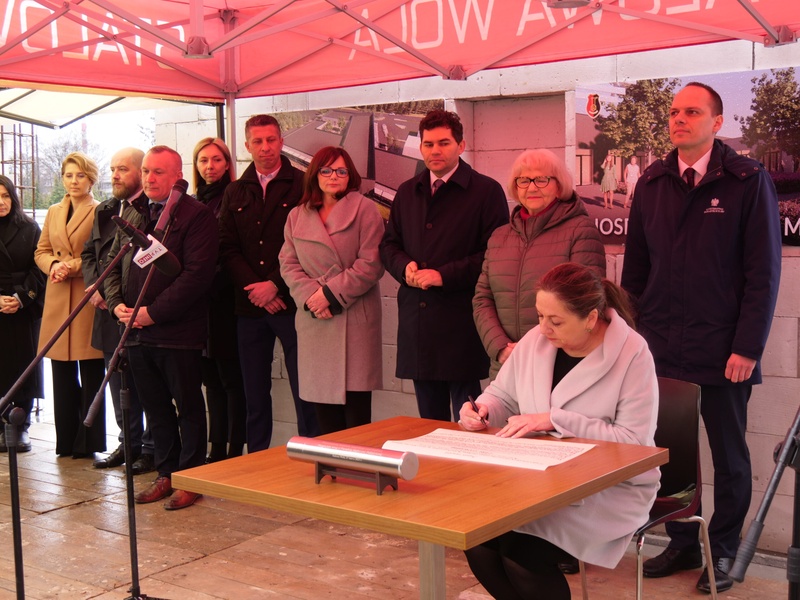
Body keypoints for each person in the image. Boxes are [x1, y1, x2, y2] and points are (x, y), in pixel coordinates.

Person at [621, 82, 781, 594]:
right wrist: (632, 342)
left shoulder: (746, 180)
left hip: (724, 351)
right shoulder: (652, 182)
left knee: (730, 459)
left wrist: (748, 346)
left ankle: (725, 551)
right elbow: (635, 272)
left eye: (692, 112)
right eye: (674, 112)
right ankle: (683, 542)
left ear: (716, 122)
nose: (679, 119)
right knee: (672, 457)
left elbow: (763, 273)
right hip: (661, 350)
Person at [461, 262, 659, 600]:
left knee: (522, 555)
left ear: (591, 318)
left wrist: (556, 420)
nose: (544, 328)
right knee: (479, 543)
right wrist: (482, 409)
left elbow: (633, 443)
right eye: (540, 316)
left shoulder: (632, 353)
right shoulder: (536, 341)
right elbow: (503, 395)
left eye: (556, 321)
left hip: (607, 487)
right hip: (538, 479)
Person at [105, 145, 218, 510]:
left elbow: (197, 276)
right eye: (146, 171)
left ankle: (191, 477)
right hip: (136, 331)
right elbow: (113, 263)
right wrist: (117, 304)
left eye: (158, 172)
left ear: (177, 176)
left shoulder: (195, 215)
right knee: (156, 409)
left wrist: (152, 313)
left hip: (177, 333)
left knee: (188, 407)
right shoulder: (135, 213)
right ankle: (166, 473)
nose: (150, 178)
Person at [380, 109, 509, 422]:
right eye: (428, 144)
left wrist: (443, 275)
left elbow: (494, 255)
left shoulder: (486, 191)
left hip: (462, 322)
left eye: (444, 143)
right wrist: (404, 267)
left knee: (470, 422)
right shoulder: (407, 191)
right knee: (428, 424)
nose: (435, 150)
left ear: (461, 145)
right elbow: (388, 245)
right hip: (418, 324)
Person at [219, 114, 319, 452]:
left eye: (271, 140)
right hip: (249, 308)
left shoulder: (303, 185)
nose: (265, 147)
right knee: (255, 394)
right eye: (258, 142)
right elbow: (227, 247)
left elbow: (307, 244)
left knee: (305, 390)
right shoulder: (234, 191)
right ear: (247, 146)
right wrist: (256, 289)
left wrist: (275, 285)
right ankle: (257, 458)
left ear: (281, 142)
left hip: (293, 306)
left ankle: (311, 457)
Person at [473, 148, 605, 380]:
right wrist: (500, 347)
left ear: (559, 185)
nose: (532, 188)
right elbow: (482, 299)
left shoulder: (581, 231)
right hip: (507, 366)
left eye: (542, 180)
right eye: (523, 180)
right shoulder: (499, 237)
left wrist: (537, 351)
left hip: (559, 368)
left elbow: (585, 303)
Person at [280, 147, 384, 434]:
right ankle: (331, 464)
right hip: (316, 321)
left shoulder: (365, 209)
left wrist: (328, 295)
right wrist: (312, 297)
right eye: (326, 170)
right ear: (315, 174)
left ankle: (357, 464)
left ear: (350, 176)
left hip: (354, 319)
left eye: (341, 171)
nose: (333, 176)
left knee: (356, 421)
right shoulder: (297, 215)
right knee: (324, 418)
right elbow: (287, 263)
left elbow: (372, 263)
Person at [81, 147, 155, 475]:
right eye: (112, 169)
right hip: (108, 311)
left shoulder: (151, 209)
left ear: (141, 171)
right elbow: (89, 253)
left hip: (137, 311)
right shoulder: (106, 209)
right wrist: (95, 286)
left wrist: (115, 297)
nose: (114, 175)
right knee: (117, 383)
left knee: (146, 385)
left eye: (123, 169)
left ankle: (150, 448)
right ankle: (128, 444)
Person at [34, 152, 105, 458]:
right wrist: (53, 265)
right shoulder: (53, 211)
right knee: (61, 373)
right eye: (68, 175)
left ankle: (89, 443)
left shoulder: (100, 210)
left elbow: (101, 255)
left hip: (86, 296)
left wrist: (70, 266)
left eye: (80, 175)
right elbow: (41, 250)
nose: (74, 181)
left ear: (91, 179)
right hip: (58, 295)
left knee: (91, 372)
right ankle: (65, 442)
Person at [192, 137, 246, 462]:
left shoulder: (233, 197)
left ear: (227, 164)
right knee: (210, 380)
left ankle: (234, 451)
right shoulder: (193, 200)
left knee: (231, 380)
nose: (209, 166)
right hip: (199, 305)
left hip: (226, 300)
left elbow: (231, 250)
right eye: (203, 160)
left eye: (216, 160)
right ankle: (216, 451)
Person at [0, 175, 46, 453]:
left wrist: (20, 298)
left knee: (23, 366)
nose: (1, 202)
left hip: (22, 307)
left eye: (6, 196)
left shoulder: (29, 227)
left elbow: (38, 268)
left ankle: (20, 425)